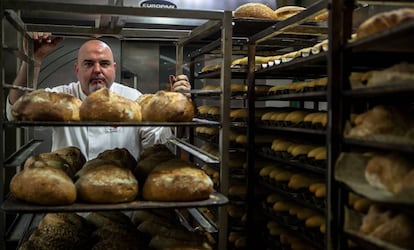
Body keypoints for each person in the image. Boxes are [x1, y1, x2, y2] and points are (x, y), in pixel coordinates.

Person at [6, 32, 192, 160]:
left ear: (114, 69)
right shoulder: (62, 98)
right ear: (77, 70)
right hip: (69, 204)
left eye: (104, 63)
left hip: (120, 202)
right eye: (88, 64)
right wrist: (33, 61)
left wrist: (179, 110)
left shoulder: (133, 99)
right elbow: (16, 109)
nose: (97, 70)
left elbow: (160, 142)